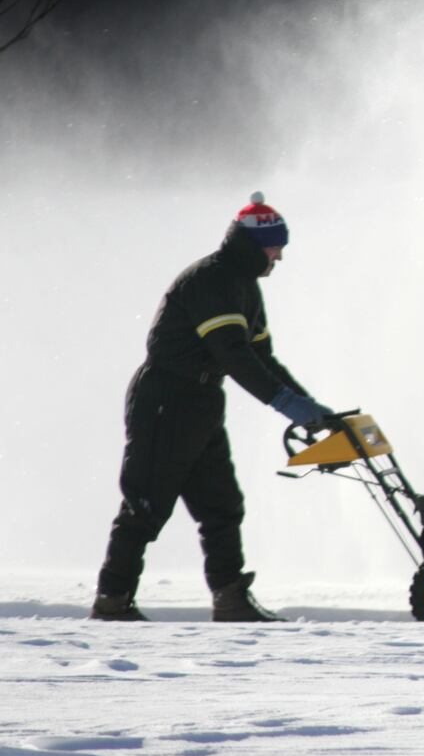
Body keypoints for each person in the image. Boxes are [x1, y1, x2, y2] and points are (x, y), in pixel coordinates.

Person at [92, 193, 337, 622]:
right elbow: (233, 354)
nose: (279, 256)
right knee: (146, 506)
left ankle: (230, 597)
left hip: (202, 403)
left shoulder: (245, 287)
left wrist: (311, 406)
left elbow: (264, 358)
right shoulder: (211, 280)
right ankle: (112, 601)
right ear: (255, 244)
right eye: (276, 246)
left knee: (222, 505)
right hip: (166, 399)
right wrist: (284, 403)